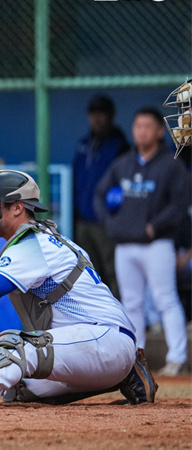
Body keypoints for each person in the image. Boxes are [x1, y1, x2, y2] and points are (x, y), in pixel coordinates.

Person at [0, 170, 157, 407]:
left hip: (104, 340)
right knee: (15, 387)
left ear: (18, 207)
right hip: (97, 350)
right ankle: (127, 375)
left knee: (12, 346)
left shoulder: (34, 244)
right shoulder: (41, 239)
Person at [94, 107, 190, 377]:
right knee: (131, 302)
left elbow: (180, 203)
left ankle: (177, 358)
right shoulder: (123, 163)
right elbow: (99, 195)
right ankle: (135, 359)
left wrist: (154, 226)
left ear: (159, 131)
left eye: (148, 127)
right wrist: (112, 225)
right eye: (138, 126)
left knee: (165, 299)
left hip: (157, 244)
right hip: (125, 245)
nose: (142, 131)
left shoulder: (171, 164)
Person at [71, 95, 130, 300]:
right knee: (88, 273)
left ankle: (119, 313)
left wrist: (114, 219)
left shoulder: (120, 145)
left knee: (113, 272)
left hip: (106, 221)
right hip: (83, 220)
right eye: (93, 113)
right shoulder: (84, 143)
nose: (96, 118)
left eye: (101, 113)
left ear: (111, 115)